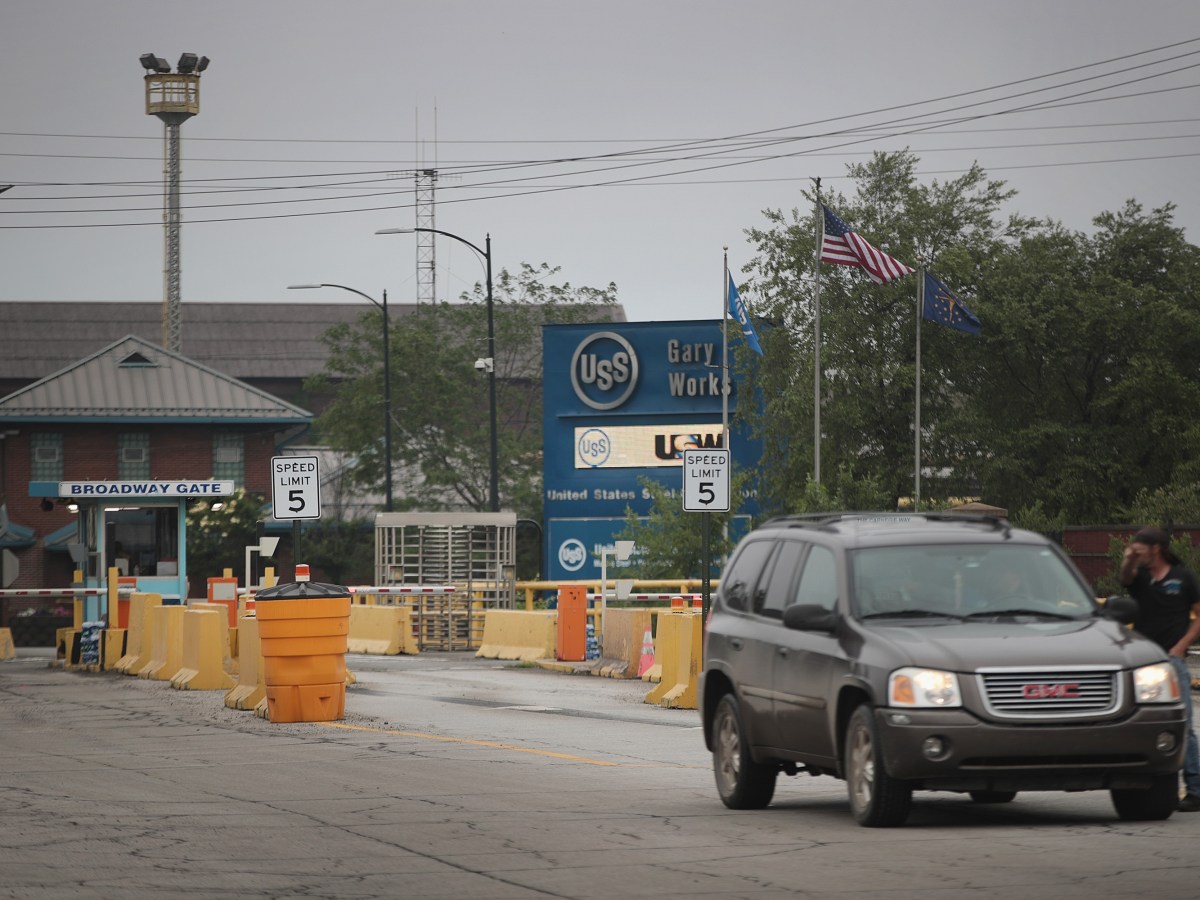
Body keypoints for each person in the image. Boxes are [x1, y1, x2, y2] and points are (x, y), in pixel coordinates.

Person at [1120, 526, 1200, 811]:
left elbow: (1199, 616)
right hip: (1144, 662)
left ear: (1157, 549)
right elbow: (1125, 578)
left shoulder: (1183, 577)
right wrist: (1129, 558)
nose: (1136, 553)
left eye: (1140, 549)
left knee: (1184, 724)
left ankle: (1195, 789)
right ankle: (1154, 781)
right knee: (1146, 722)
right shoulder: (1140, 578)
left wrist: (1181, 646)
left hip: (1172, 660)